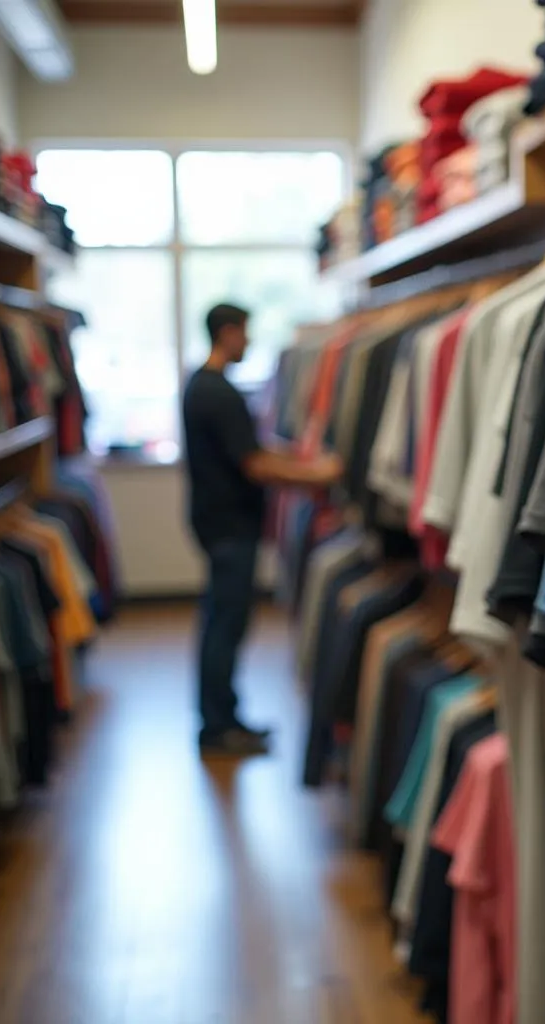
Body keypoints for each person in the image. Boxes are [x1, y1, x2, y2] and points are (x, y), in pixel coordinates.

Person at [183, 303, 341, 757]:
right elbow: (254, 465)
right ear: (227, 333)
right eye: (245, 333)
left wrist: (295, 458)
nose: (248, 342)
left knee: (222, 621)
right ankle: (218, 727)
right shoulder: (220, 393)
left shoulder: (203, 386)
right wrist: (321, 475)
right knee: (226, 625)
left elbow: (250, 450)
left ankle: (223, 718)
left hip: (217, 522)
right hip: (230, 525)